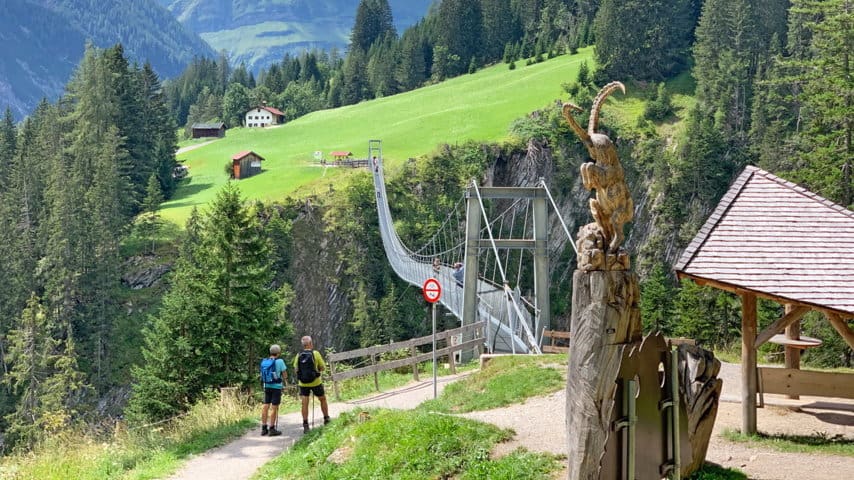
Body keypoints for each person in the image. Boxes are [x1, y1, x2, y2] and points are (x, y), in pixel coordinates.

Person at [294, 335, 330, 433]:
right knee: (322, 399)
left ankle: (305, 425)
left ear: (303, 345)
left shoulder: (298, 355)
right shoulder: (315, 353)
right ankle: (326, 418)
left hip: (303, 383)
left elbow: (296, 369)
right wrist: (316, 371)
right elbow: (322, 367)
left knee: (305, 403)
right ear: (310, 344)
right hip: (316, 382)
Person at [260, 344, 287, 436]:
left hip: (266, 385)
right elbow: (285, 375)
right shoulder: (280, 361)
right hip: (276, 387)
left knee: (265, 406)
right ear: (278, 353)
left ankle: (264, 428)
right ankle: (272, 429)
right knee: (274, 407)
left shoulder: (265, 362)